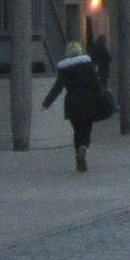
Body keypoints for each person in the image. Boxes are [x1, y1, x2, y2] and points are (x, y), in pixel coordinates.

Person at [41, 40, 103, 172]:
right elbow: (96, 85)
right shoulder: (88, 66)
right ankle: (83, 149)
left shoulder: (65, 70)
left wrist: (46, 103)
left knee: (77, 131)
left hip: (72, 104)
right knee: (86, 131)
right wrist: (101, 97)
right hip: (88, 102)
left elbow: (57, 88)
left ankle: (77, 152)